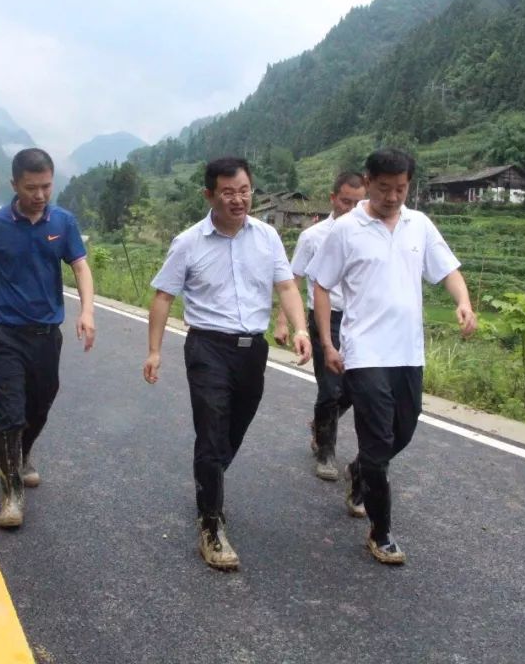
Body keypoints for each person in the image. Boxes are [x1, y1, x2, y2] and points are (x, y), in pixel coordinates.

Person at [305, 148, 476, 565]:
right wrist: (329, 344)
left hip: (408, 352)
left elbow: (447, 269)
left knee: (404, 430)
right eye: (385, 189)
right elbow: (322, 285)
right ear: (369, 182)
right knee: (379, 440)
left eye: (401, 189)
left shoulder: (419, 224)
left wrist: (463, 301)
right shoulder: (345, 230)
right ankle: (380, 533)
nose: (394, 197)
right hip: (364, 353)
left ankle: (362, 469)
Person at [144, 157, 312, 571]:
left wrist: (301, 328)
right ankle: (211, 526)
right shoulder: (188, 242)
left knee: (233, 431)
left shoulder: (268, 236)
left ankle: (210, 482)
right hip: (207, 348)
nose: (238, 200)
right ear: (209, 195)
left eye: (244, 191)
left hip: (252, 350)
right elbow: (164, 297)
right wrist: (154, 351)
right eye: (228, 192)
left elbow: (286, 285)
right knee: (212, 428)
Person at [0, 147, 96, 529]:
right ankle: (11, 492)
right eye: (31, 187)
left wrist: (87, 311)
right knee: (9, 414)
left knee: (41, 404)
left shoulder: (63, 222)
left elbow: (81, 268)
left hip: (46, 335)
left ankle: (24, 452)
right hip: (5, 333)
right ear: (14, 185)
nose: (39, 195)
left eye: (46, 186)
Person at [274, 172, 366, 487]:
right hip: (325, 318)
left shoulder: (369, 233)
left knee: (355, 389)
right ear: (332, 198)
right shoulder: (313, 236)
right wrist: (285, 321)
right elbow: (293, 279)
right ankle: (326, 452)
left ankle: (320, 423)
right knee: (330, 387)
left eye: (357, 202)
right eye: (345, 201)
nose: (351, 208)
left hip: (360, 321)